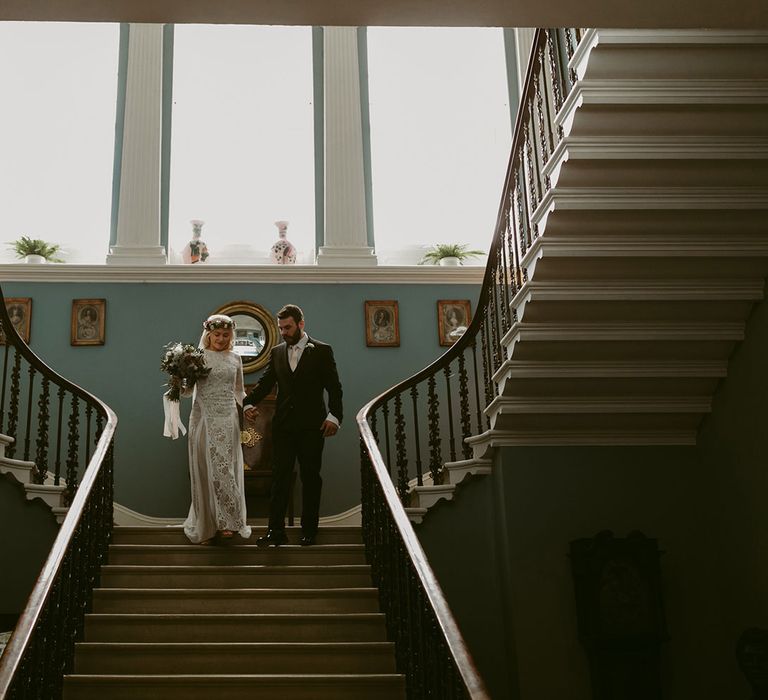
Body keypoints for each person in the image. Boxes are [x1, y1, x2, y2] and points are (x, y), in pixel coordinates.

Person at [244, 304, 343, 546]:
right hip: (283, 427)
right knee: (279, 478)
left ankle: (309, 530)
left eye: (288, 327)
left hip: (313, 426)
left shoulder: (321, 350)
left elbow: (334, 387)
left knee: (310, 478)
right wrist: (247, 404)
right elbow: (266, 383)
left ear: (301, 324)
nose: (284, 332)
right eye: (280, 328)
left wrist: (334, 417)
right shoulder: (277, 352)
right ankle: (275, 531)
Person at [183, 314, 252, 544]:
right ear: (208, 334)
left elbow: (239, 390)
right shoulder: (198, 357)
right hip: (203, 417)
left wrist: (249, 406)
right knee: (205, 469)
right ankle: (207, 523)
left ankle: (229, 522)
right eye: (217, 335)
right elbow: (186, 391)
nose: (221, 339)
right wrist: (179, 379)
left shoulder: (235, 359)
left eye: (226, 335)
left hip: (228, 417)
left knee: (225, 469)